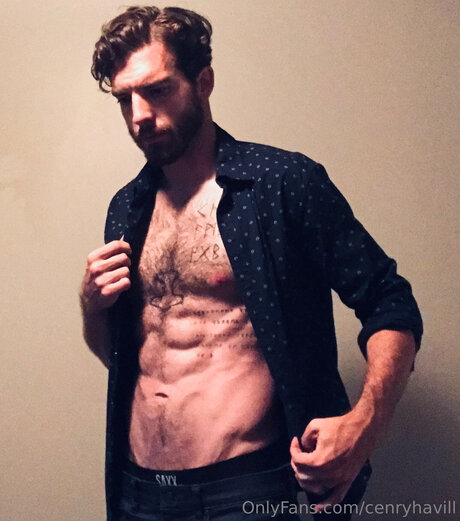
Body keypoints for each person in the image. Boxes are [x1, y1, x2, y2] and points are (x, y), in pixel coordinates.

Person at [80, 6, 423, 521]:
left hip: (245, 488)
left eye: (157, 90)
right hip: (139, 490)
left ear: (203, 83)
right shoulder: (126, 208)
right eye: (125, 98)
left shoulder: (282, 184)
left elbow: (389, 302)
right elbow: (125, 358)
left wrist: (364, 424)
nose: (139, 116)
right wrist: (91, 307)